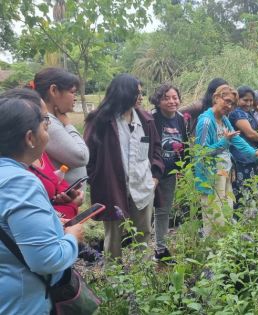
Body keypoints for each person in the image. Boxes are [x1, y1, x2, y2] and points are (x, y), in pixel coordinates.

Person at [0, 93, 83, 315]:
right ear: (30, 138)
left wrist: (51, 220)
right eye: (45, 124)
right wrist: (72, 237)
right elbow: (46, 260)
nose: (48, 131)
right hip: (21, 303)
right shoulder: (19, 182)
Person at [84, 74, 164, 259]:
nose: (140, 97)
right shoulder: (100, 121)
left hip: (143, 185)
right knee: (113, 237)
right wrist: (97, 179)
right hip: (112, 188)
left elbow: (156, 148)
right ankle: (114, 280)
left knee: (143, 232)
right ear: (124, 93)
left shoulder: (145, 119)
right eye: (137, 93)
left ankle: (143, 276)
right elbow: (87, 154)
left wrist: (155, 176)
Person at [0, 88, 84, 219]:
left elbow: (56, 183)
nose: (48, 124)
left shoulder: (37, 153)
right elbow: (39, 225)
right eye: (44, 118)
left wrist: (63, 199)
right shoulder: (20, 180)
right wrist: (71, 207)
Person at [195, 85, 258, 237]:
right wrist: (224, 142)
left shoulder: (225, 120)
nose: (229, 106)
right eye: (226, 101)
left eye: (232, 103)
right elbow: (201, 153)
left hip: (225, 173)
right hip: (210, 177)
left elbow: (238, 141)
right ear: (216, 98)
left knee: (226, 215)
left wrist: (255, 153)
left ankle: (223, 254)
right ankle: (211, 254)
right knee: (214, 220)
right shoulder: (206, 122)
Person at [149, 83, 190, 262]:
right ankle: (139, 248)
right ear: (158, 101)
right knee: (143, 211)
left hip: (170, 171)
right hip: (150, 173)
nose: (172, 101)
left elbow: (185, 143)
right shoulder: (152, 118)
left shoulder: (180, 118)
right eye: (166, 98)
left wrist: (183, 168)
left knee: (163, 210)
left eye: (175, 97)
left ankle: (160, 249)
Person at [32, 67, 89, 186]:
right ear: (54, 91)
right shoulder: (48, 123)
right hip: (58, 201)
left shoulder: (51, 119)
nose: (75, 97)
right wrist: (68, 124)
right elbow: (81, 156)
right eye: (72, 92)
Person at [229, 86, 258, 205]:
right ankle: (239, 221)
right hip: (242, 160)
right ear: (237, 99)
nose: (249, 103)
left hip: (253, 158)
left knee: (253, 193)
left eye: (251, 100)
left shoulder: (249, 113)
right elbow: (250, 134)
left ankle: (252, 219)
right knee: (242, 194)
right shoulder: (237, 113)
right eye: (245, 100)